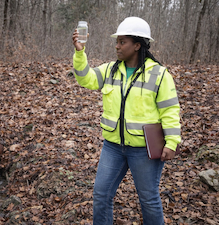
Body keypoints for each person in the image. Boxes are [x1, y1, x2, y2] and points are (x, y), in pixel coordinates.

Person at [72, 17, 181, 225]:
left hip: (144, 149)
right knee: (101, 195)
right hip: (113, 146)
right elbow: (84, 78)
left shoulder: (159, 74)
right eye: (117, 41)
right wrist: (79, 52)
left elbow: (170, 109)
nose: (117, 46)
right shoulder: (110, 69)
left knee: (148, 200)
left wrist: (172, 142)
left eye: (122, 42)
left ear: (137, 45)